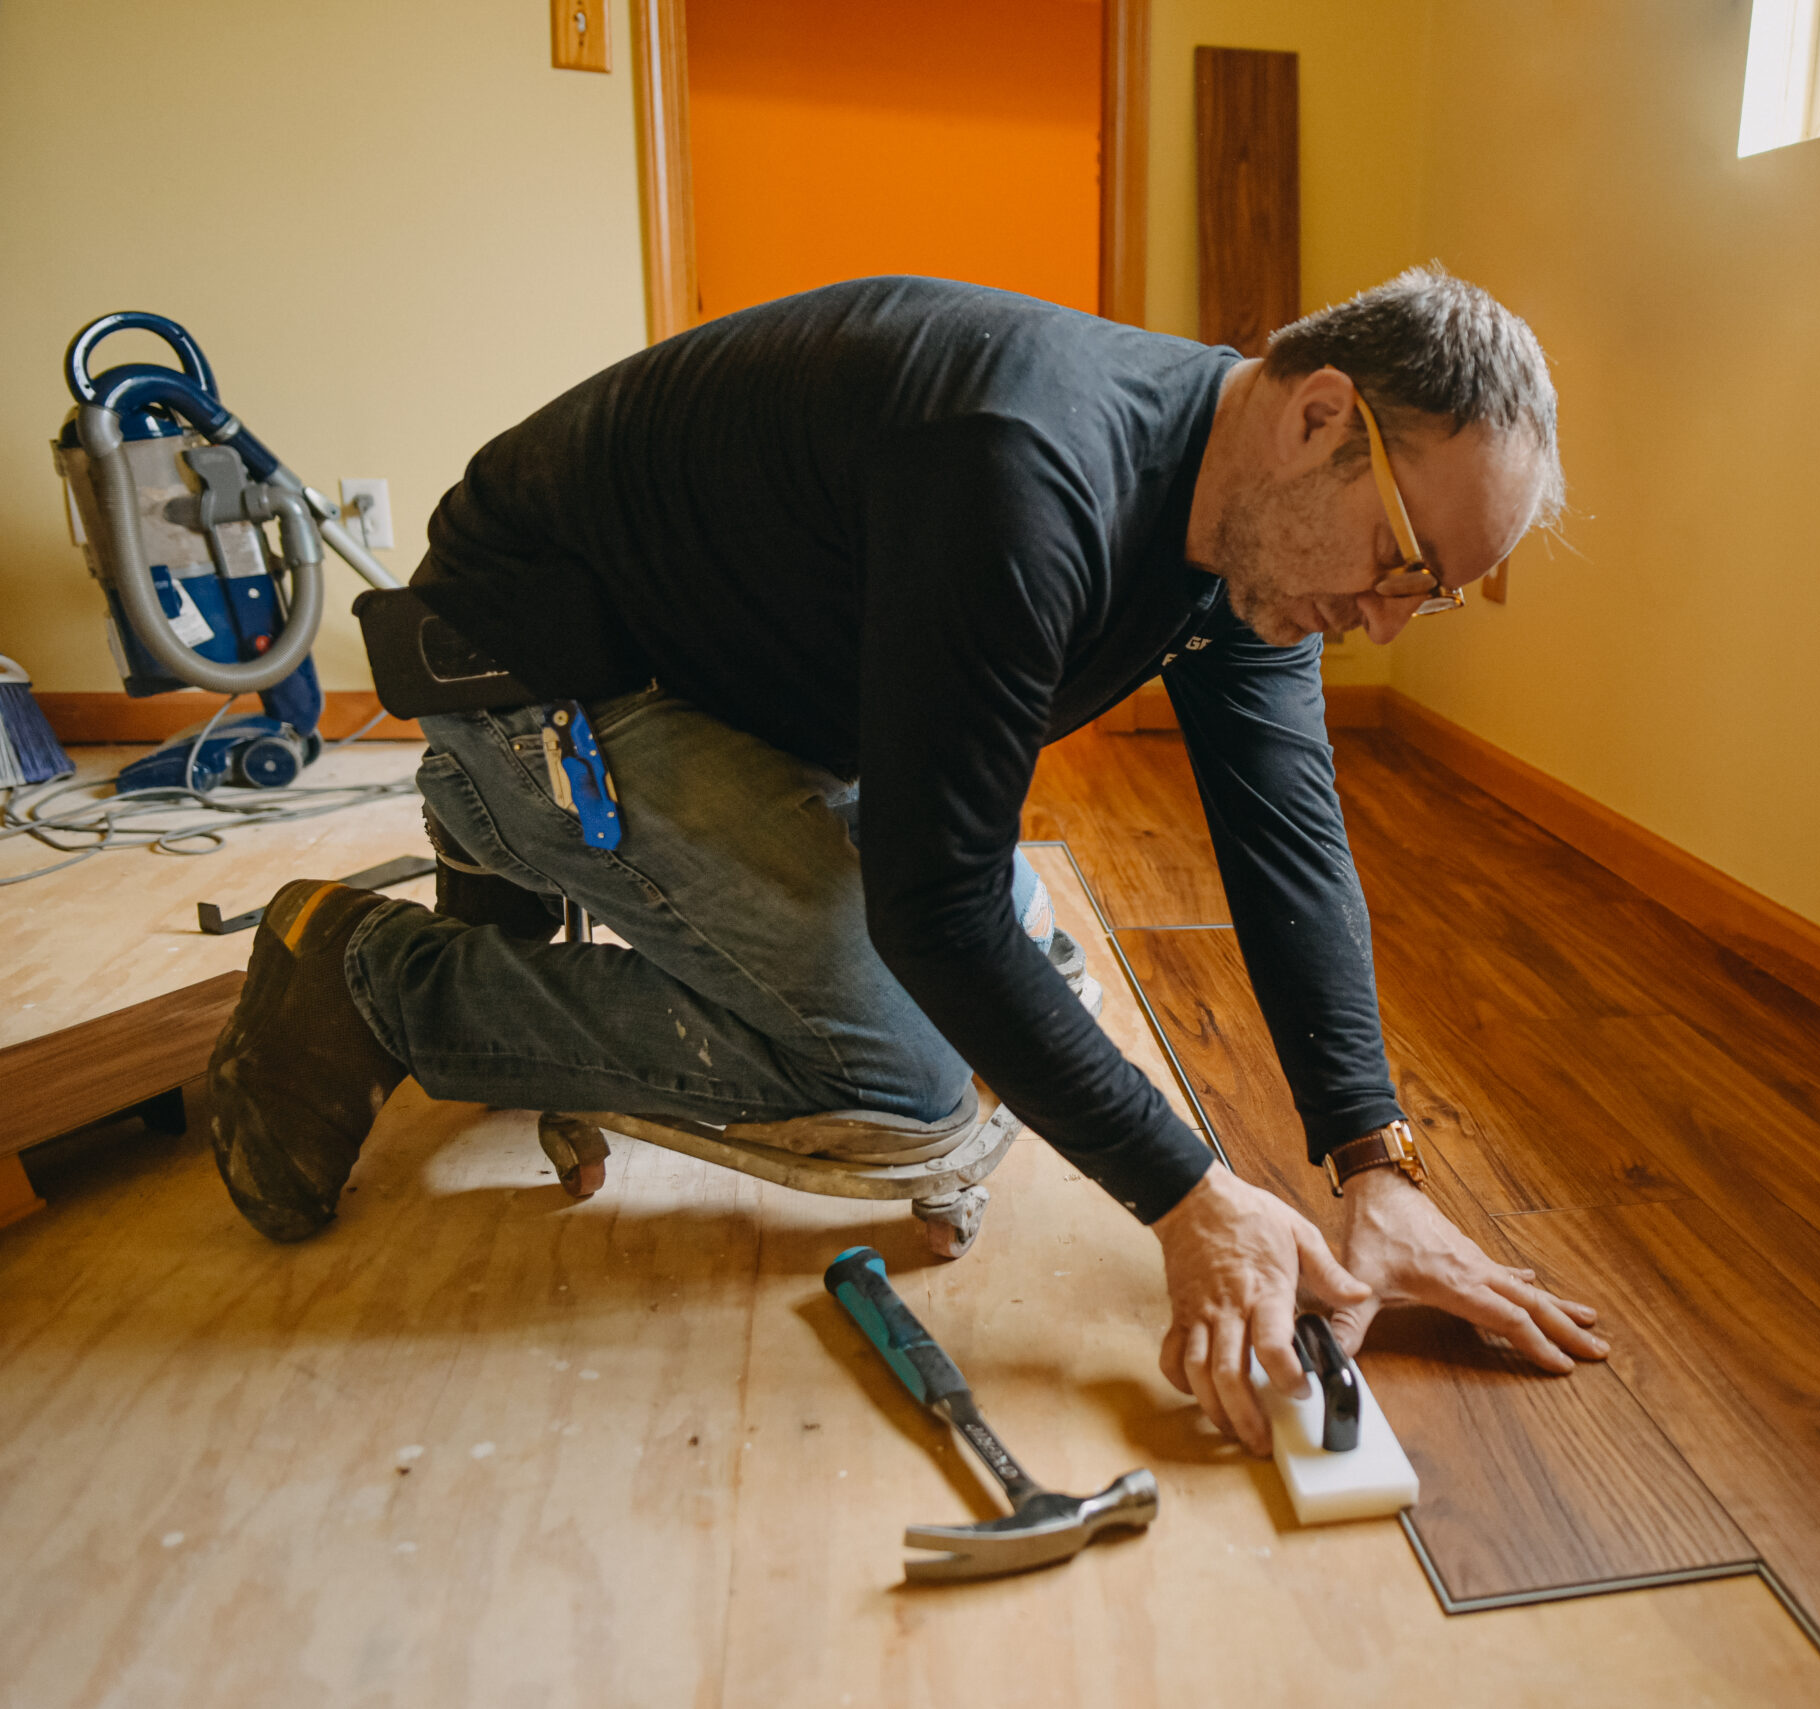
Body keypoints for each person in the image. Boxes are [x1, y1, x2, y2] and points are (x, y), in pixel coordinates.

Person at [205, 266, 1609, 1455]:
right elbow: (933, 905)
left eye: (1438, 594)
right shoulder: (1025, 464)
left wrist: (1379, 1163)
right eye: (1407, 560)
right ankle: (375, 968)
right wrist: (1190, 1196)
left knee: (1040, 984)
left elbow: (1288, 838)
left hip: (731, 679)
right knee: (900, 1081)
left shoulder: (1244, 517)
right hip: (534, 667)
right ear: (1320, 416)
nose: (1388, 620)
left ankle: (532, 873)